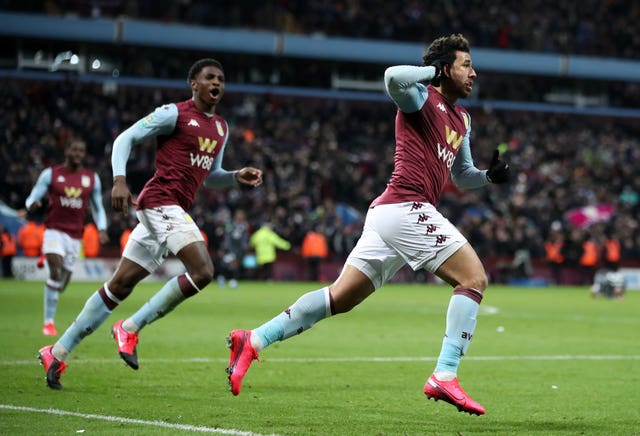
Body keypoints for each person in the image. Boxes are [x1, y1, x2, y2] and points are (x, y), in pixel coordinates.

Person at [226, 34, 510, 416]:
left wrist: (489, 176)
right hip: (406, 206)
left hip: (390, 215)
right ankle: (445, 373)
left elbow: (462, 176)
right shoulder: (421, 97)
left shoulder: (463, 118)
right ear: (445, 70)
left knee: (339, 298)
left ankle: (254, 339)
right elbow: (394, 76)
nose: (474, 73)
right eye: (465, 65)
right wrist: (432, 71)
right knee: (473, 279)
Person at [38, 58, 263, 390]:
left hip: (170, 210)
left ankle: (56, 351)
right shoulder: (174, 113)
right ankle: (130, 327)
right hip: (160, 201)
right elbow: (124, 140)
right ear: (194, 84)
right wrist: (118, 180)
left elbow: (210, 176)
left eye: (221, 79)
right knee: (203, 271)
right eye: (209, 77)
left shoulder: (221, 129)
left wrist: (234, 177)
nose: (217, 83)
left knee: (120, 286)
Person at [25, 139, 109, 336]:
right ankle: (48, 323)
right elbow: (33, 196)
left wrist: (102, 228)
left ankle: (49, 258)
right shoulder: (51, 174)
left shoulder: (91, 179)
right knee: (55, 271)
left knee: (61, 284)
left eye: (82, 150)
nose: (78, 153)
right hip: (54, 230)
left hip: (75, 236)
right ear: (67, 151)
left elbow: (98, 207)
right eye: (75, 149)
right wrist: (32, 204)